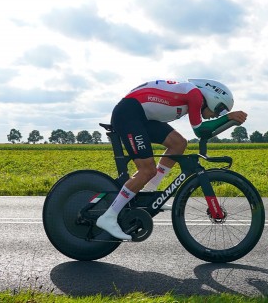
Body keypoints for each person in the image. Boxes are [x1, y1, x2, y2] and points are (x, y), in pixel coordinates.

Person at [95, 78, 248, 240]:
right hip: (128, 114)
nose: (215, 116)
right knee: (147, 170)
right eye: (218, 112)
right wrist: (228, 118)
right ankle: (109, 216)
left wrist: (229, 120)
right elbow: (200, 131)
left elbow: (206, 131)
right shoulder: (195, 95)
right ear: (213, 100)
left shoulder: (192, 95)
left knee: (179, 143)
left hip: (140, 116)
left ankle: (149, 192)